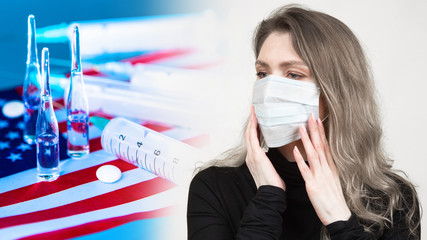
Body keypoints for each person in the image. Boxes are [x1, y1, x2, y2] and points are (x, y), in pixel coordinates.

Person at [186, 4, 421, 240]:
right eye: (263, 73)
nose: (269, 91)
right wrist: (268, 196)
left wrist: (340, 220)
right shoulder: (214, 188)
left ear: (335, 93)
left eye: (293, 74)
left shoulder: (392, 199)